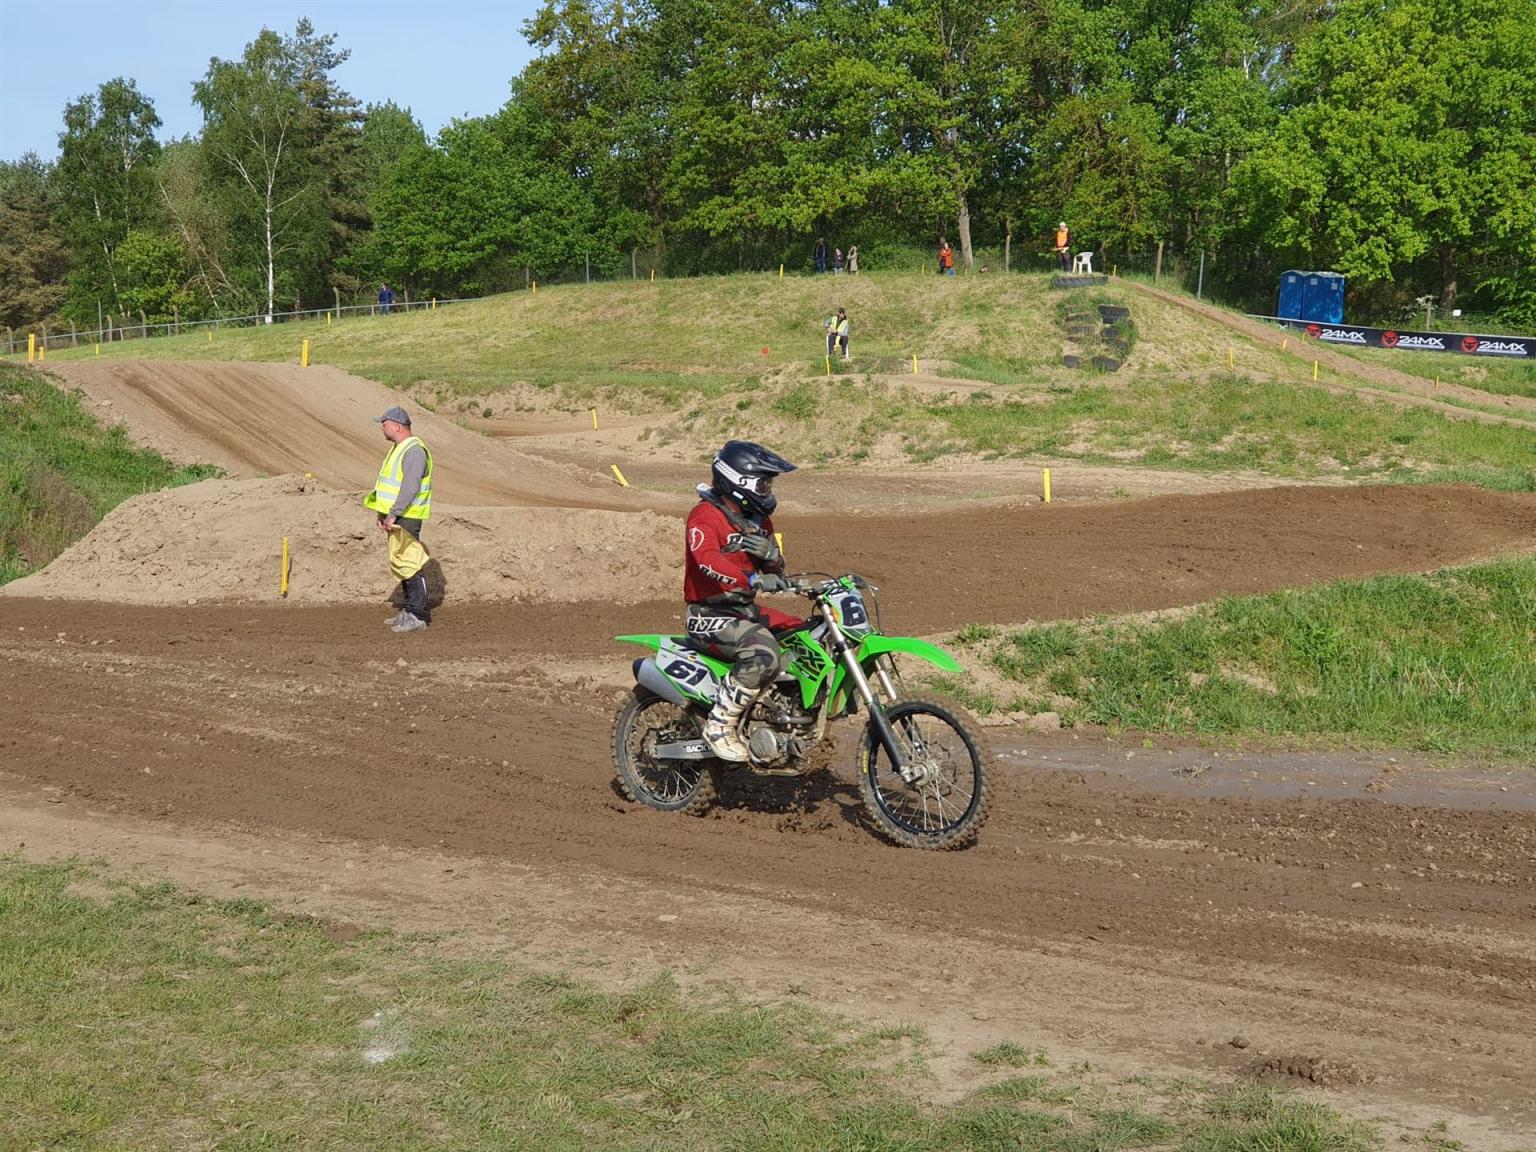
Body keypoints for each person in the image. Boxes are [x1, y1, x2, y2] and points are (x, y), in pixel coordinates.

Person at [684, 441, 798, 762]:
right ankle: (720, 725)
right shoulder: (704, 516)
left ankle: (781, 715)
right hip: (707, 614)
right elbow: (706, 559)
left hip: (744, 610)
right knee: (762, 651)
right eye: (763, 484)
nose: (767, 491)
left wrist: (773, 559)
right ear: (738, 481)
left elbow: (774, 570)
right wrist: (750, 579)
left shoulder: (758, 521)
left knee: (805, 634)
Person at [364, 406, 434, 633]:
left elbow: (410, 487)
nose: (382, 428)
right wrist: (382, 513)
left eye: (384, 424)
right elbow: (388, 486)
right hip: (397, 515)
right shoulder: (399, 449)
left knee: (410, 563)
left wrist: (394, 513)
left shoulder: (413, 450)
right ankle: (409, 610)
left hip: (407, 516)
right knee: (401, 562)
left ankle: (418, 615)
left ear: (397, 426)